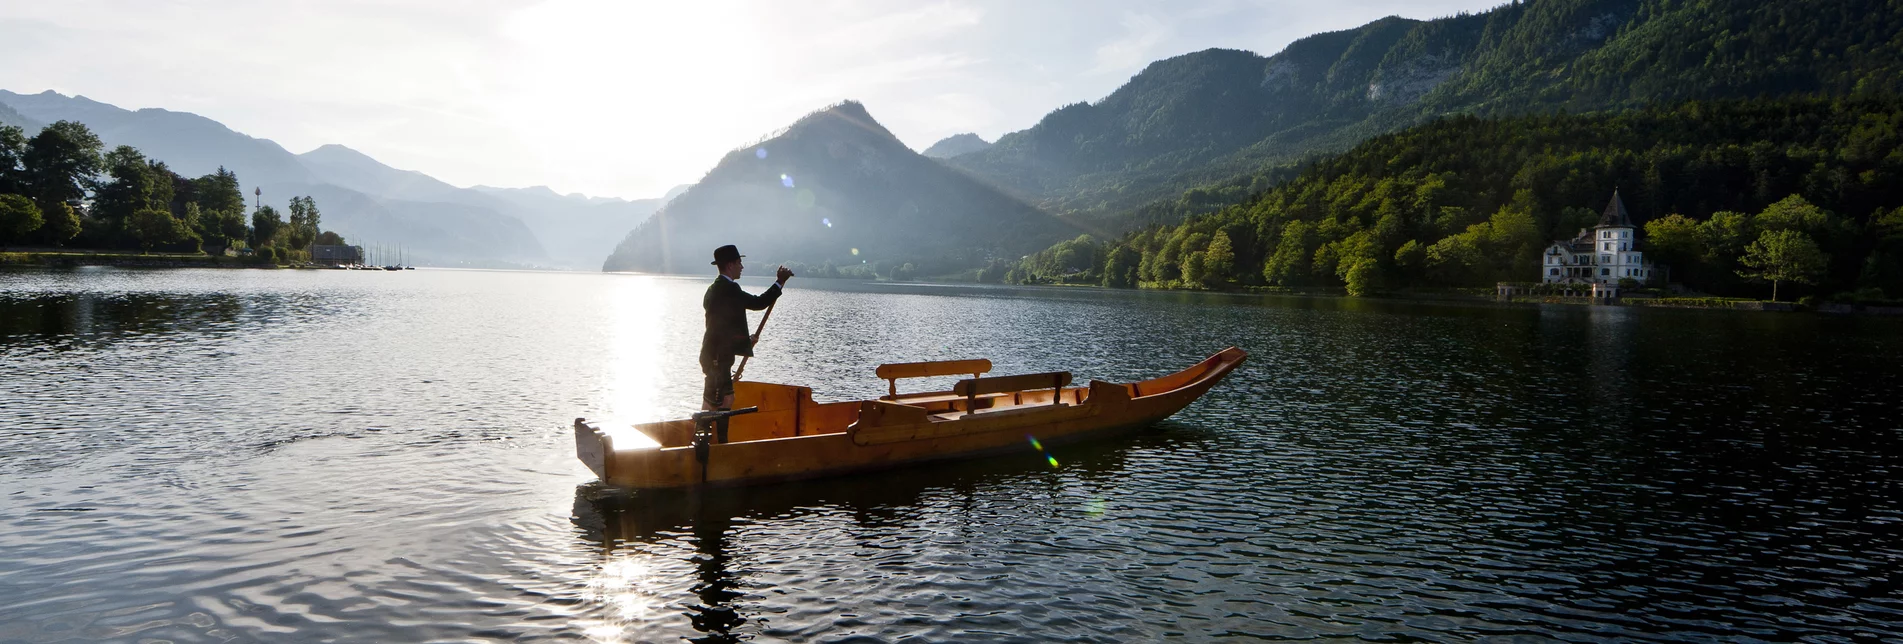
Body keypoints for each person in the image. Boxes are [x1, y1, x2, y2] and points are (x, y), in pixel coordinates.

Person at [701, 244, 793, 415]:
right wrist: (780, 282)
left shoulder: (713, 289)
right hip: (717, 359)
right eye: (739, 263)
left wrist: (745, 341)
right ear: (730, 265)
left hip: (714, 356)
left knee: (717, 400)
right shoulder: (729, 288)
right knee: (720, 401)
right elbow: (758, 303)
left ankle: (711, 437)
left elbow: (721, 327)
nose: (742, 267)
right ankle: (717, 439)